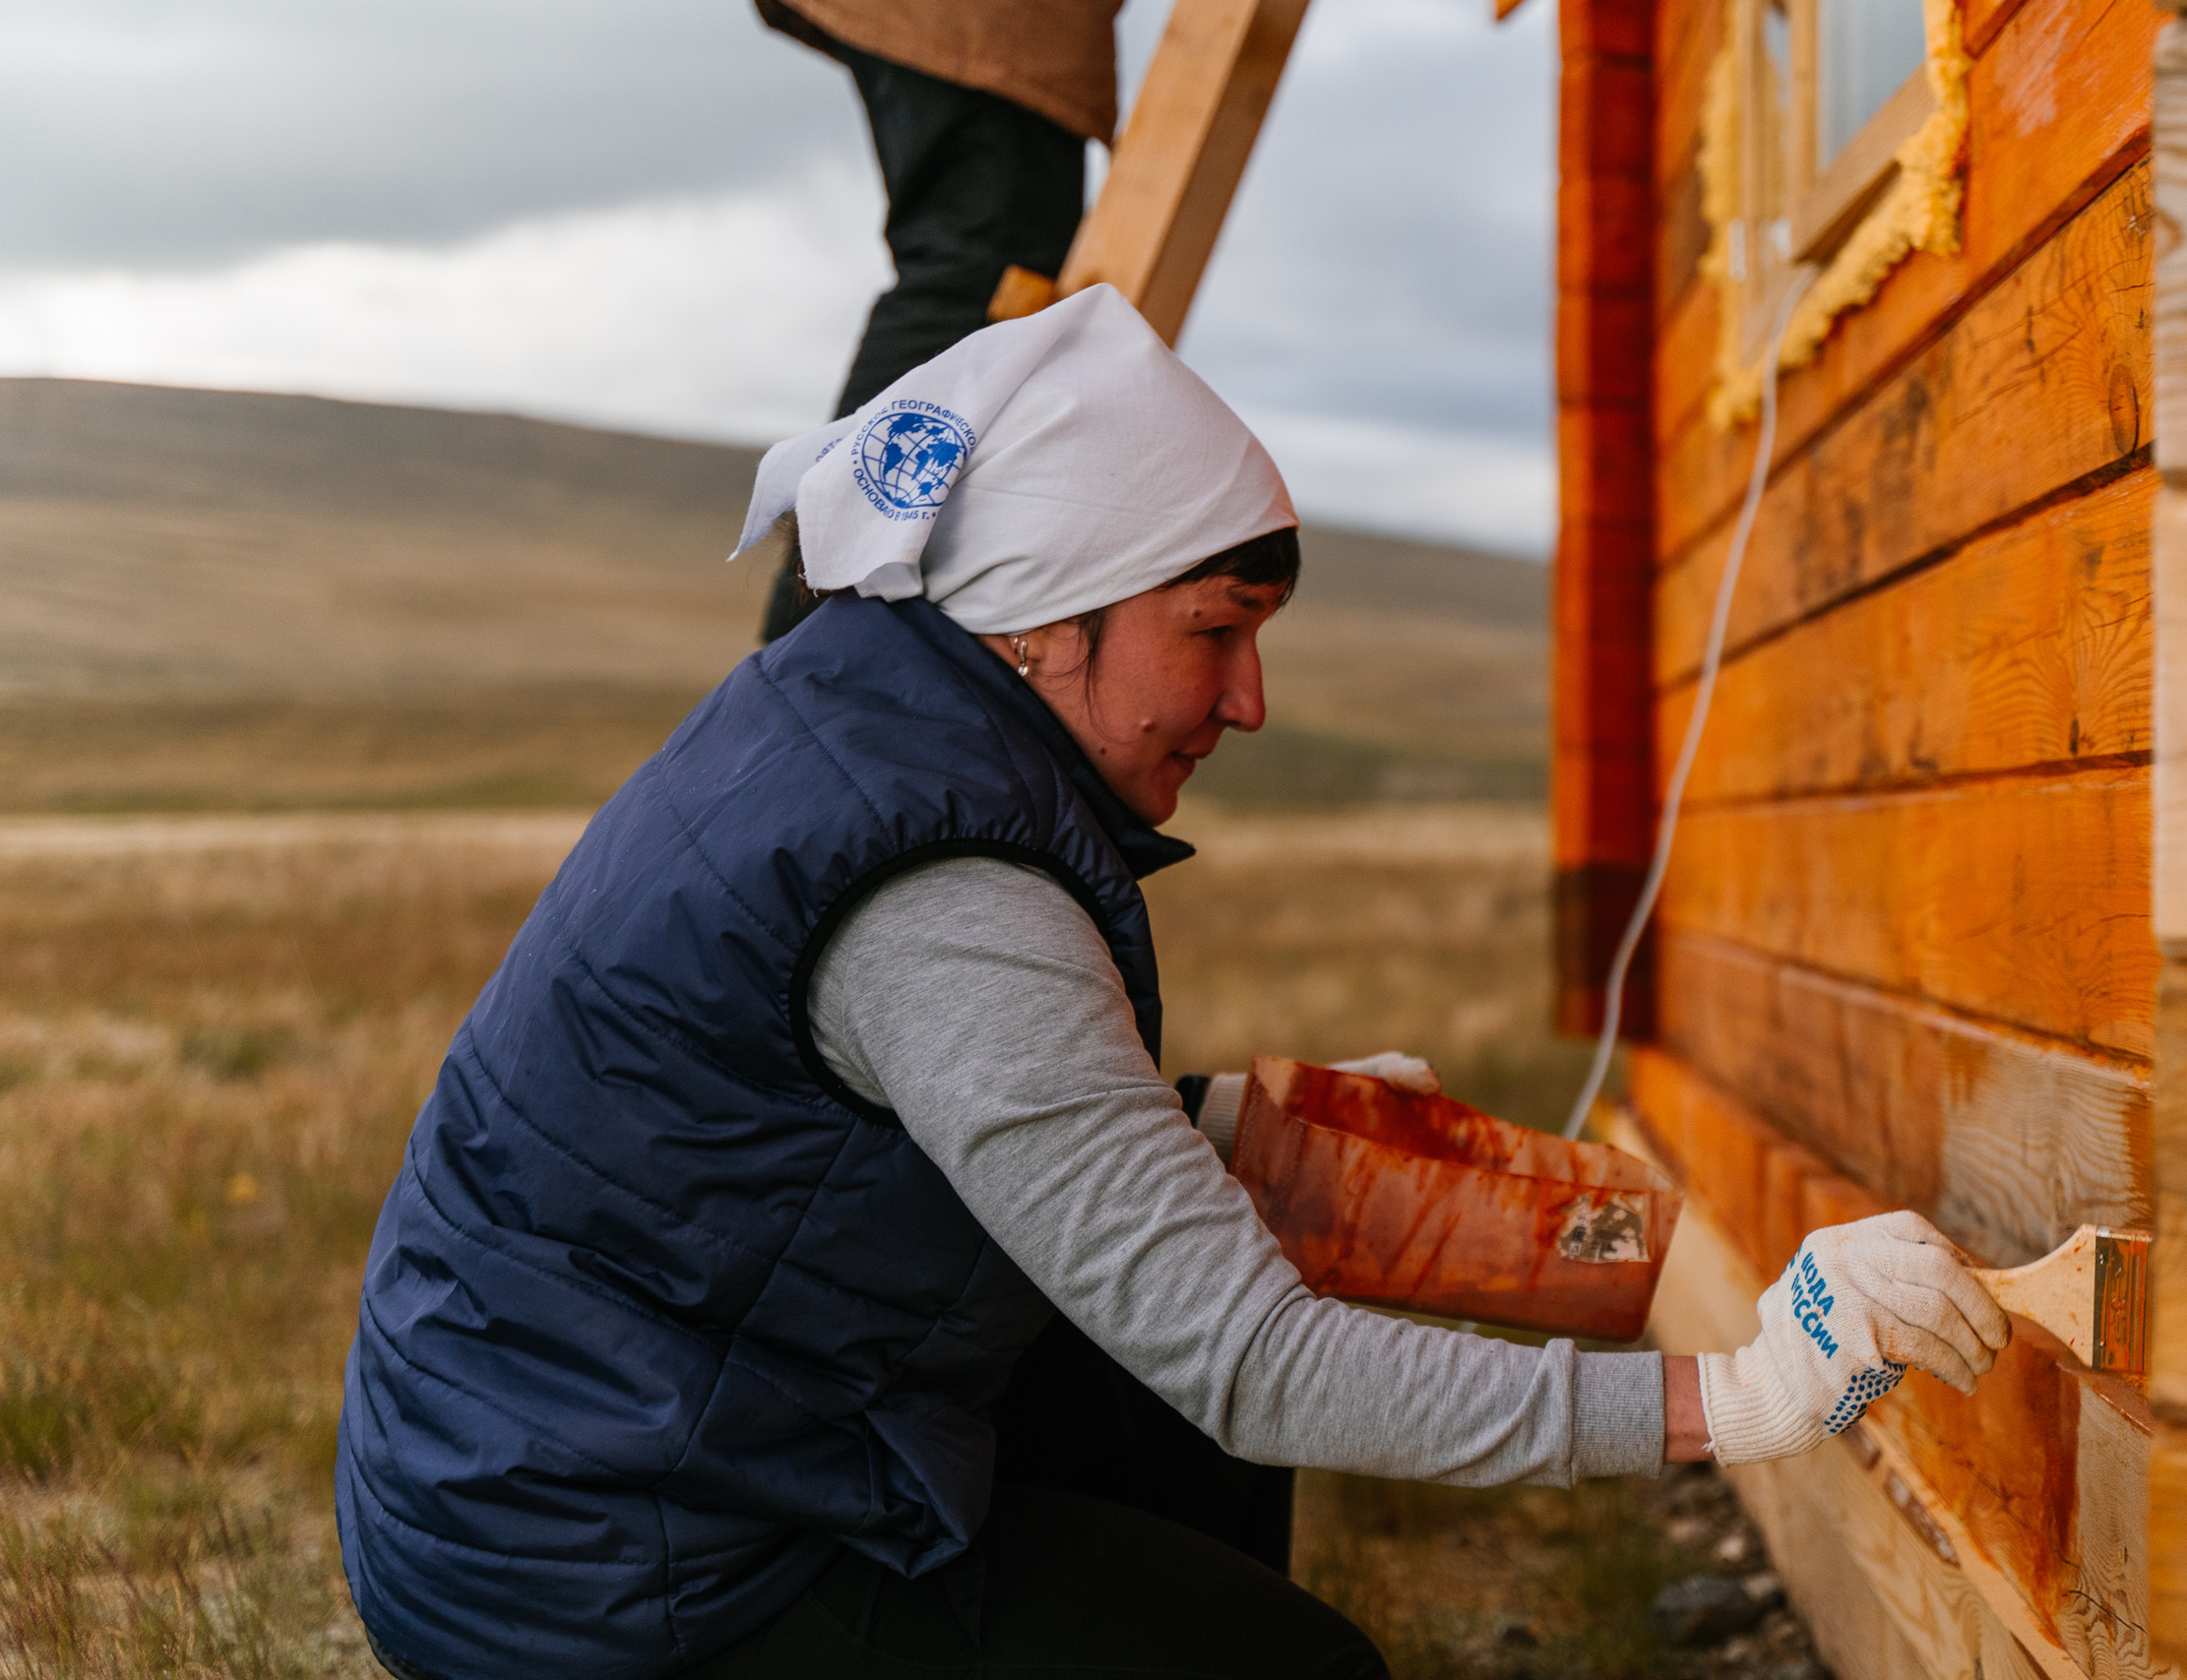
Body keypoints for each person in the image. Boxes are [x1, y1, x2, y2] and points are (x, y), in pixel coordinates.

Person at [334, 286, 2010, 1680]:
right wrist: (1744, 1389)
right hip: (601, 1571)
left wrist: (1203, 1130)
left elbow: (808, 1135)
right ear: (1050, 613)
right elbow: (1254, 1355)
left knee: (1171, 1413)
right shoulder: (946, 894)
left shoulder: (860, 718)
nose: (1252, 697)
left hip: (586, 1444)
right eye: (1212, 632)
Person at [749, 0, 1121, 644]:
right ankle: (819, 638)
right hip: (986, 24)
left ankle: (823, 633)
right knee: (982, 279)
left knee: (986, 280)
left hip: (994, 30)